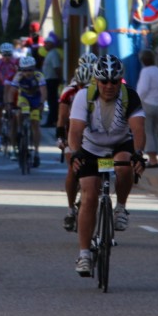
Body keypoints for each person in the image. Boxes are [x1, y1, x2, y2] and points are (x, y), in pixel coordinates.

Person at [67, 54, 147, 276]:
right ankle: (84, 254)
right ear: (96, 81)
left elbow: (138, 129)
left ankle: (120, 207)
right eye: (104, 81)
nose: (109, 86)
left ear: (120, 80)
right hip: (91, 148)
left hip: (120, 144)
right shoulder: (84, 96)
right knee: (89, 196)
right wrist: (75, 153)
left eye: (114, 81)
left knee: (124, 166)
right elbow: (74, 130)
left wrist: (139, 154)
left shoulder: (129, 96)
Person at [56, 53, 96, 231]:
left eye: (87, 86)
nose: (83, 89)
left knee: (105, 168)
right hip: (73, 133)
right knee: (74, 169)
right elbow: (62, 118)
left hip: (95, 137)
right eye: (80, 85)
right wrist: (61, 138)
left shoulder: (102, 90)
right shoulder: (69, 92)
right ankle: (71, 209)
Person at [6, 55, 47, 166]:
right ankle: (21, 130)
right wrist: (10, 104)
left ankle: (37, 152)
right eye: (24, 70)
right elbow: (12, 91)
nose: (27, 72)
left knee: (35, 124)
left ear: (34, 68)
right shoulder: (18, 76)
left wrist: (42, 103)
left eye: (30, 69)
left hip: (36, 99)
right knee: (19, 112)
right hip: (24, 97)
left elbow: (43, 91)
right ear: (21, 69)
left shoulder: (39, 75)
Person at [135, 49, 158, 168]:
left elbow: (143, 89)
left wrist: (136, 100)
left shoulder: (146, 72)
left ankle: (152, 159)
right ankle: (155, 157)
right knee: (154, 131)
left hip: (147, 104)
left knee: (148, 132)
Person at [0, 42, 20, 151]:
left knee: (13, 113)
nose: (7, 57)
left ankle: (15, 137)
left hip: (13, 86)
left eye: (9, 54)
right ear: (1, 54)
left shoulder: (16, 61)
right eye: (5, 55)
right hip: (2, 86)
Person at [41, 32, 63, 128]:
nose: (45, 45)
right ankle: (52, 119)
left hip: (52, 80)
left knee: (52, 101)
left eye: (47, 43)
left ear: (52, 44)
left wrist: (59, 78)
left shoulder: (53, 54)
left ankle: (52, 120)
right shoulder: (50, 53)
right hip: (49, 79)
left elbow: (57, 68)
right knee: (51, 101)